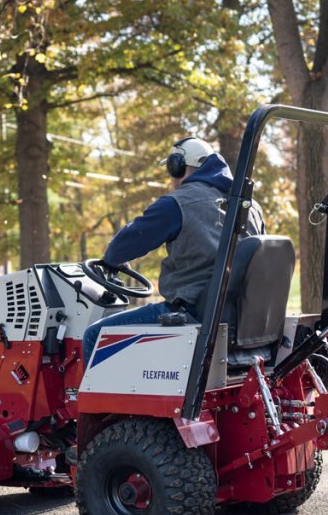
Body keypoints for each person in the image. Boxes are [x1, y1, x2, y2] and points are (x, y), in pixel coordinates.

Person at [81, 137, 265, 366]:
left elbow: (125, 244)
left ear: (178, 165)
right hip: (243, 321)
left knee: (93, 337)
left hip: (193, 314)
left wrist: (111, 260)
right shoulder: (251, 206)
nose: (170, 179)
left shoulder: (177, 203)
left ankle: (99, 402)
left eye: (171, 170)